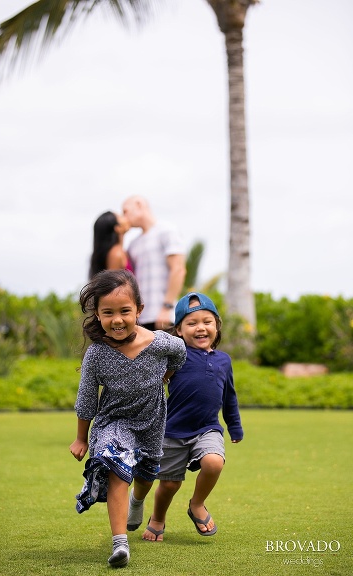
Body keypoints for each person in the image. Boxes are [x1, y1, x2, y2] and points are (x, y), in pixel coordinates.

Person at [70, 270, 187, 568]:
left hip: (151, 422)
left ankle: (138, 501)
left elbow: (180, 353)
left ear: (139, 310)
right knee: (117, 469)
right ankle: (120, 543)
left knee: (146, 476)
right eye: (108, 313)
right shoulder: (97, 354)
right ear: (98, 315)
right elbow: (87, 397)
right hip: (113, 422)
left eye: (124, 311)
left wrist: (165, 377)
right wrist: (81, 438)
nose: (117, 320)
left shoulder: (161, 343)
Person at [127, 292, 243, 542]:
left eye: (207, 322)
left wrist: (234, 426)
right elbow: (153, 381)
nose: (200, 327)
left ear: (216, 326)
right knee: (169, 484)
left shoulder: (224, 361)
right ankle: (157, 519)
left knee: (214, 462)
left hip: (207, 428)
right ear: (179, 330)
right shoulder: (176, 357)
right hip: (172, 431)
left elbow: (229, 397)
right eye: (192, 323)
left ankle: (197, 504)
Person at [122, 196, 186, 330]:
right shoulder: (133, 244)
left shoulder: (167, 230)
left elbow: (178, 269)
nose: (124, 217)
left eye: (125, 211)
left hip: (164, 316)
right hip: (140, 318)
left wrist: (166, 307)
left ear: (139, 205)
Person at [88, 211, 131, 278]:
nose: (126, 217)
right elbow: (114, 283)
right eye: (121, 216)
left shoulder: (119, 251)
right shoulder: (116, 254)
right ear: (117, 228)